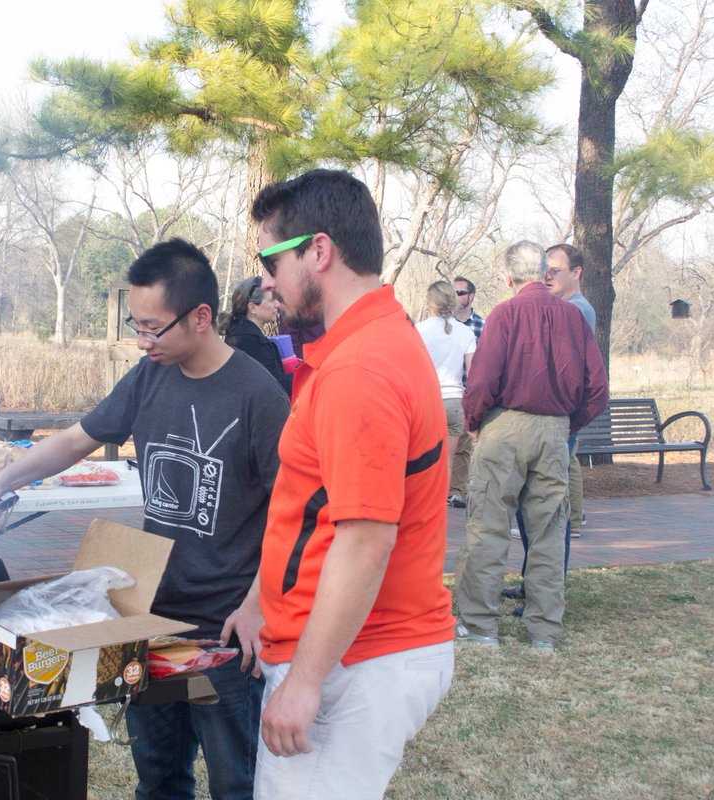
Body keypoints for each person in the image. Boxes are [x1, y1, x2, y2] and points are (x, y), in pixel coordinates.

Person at [0, 238, 286, 800]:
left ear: (201, 316)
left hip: (227, 627)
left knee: (238, 784)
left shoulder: (257, 395)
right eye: (134, 326)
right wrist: (0, 481)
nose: (141, 342)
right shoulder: (149, 376)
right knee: (159, 779)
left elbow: (293, 510)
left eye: (151, 328)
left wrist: (258, 602)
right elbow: (74, 440)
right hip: (151, 619)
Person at [245, 169, 455, 799]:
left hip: (355, 659)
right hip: (352, 649)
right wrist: (261, 598)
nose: (266, 280)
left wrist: (304, 681)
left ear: (319, 251)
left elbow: (365, 540)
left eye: (271, 259)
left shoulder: (359, 369)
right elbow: (315, 507)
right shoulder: (370, 342)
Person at [454, 241, 608, 651]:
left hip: (503, 426)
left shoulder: (504, 314)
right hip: (553, 431)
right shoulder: (573, 318)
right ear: (544, 273)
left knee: (488, 526)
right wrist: (564, 424)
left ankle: (478, 625)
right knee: (548, 532)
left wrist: (474, 422)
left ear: (508, 278)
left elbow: (482, 380)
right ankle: (544, 631)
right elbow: (597, 390)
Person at [546, 243, 595, 537]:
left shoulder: (576, 309)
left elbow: (569, 367)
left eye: (555, 270)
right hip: (566, 409)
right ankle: (570, 522)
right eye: (545, 270)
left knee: (559, 469)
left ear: (576, 272)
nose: (547, 276)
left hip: (565, 408)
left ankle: (564, 525)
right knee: (567, 463)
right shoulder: (566, 307)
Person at [416, 281, 477, 504]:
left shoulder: (418, 330)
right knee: (448, 462)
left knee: (424, 459)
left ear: (430, 302)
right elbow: (473, 375)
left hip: (427, 401)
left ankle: (424, 506)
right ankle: (440, 509)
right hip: (454, 402)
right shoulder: (465, 332)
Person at [220, 275, 292, 396]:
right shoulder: (251, 342)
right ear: (252, 308)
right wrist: (306, 373)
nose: (277, 304)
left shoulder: (237, 333)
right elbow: (276, 388)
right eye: (271, 300)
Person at [448, 275, 484, 508]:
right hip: (447, 391)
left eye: (461, 292)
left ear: (471, 296)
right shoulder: (443, 324)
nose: (456, 296)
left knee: (470, 447)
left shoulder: (482, 324)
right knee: (451, 446)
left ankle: (464, 491)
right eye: (453, 292)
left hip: (472, 392)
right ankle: (448, 490)